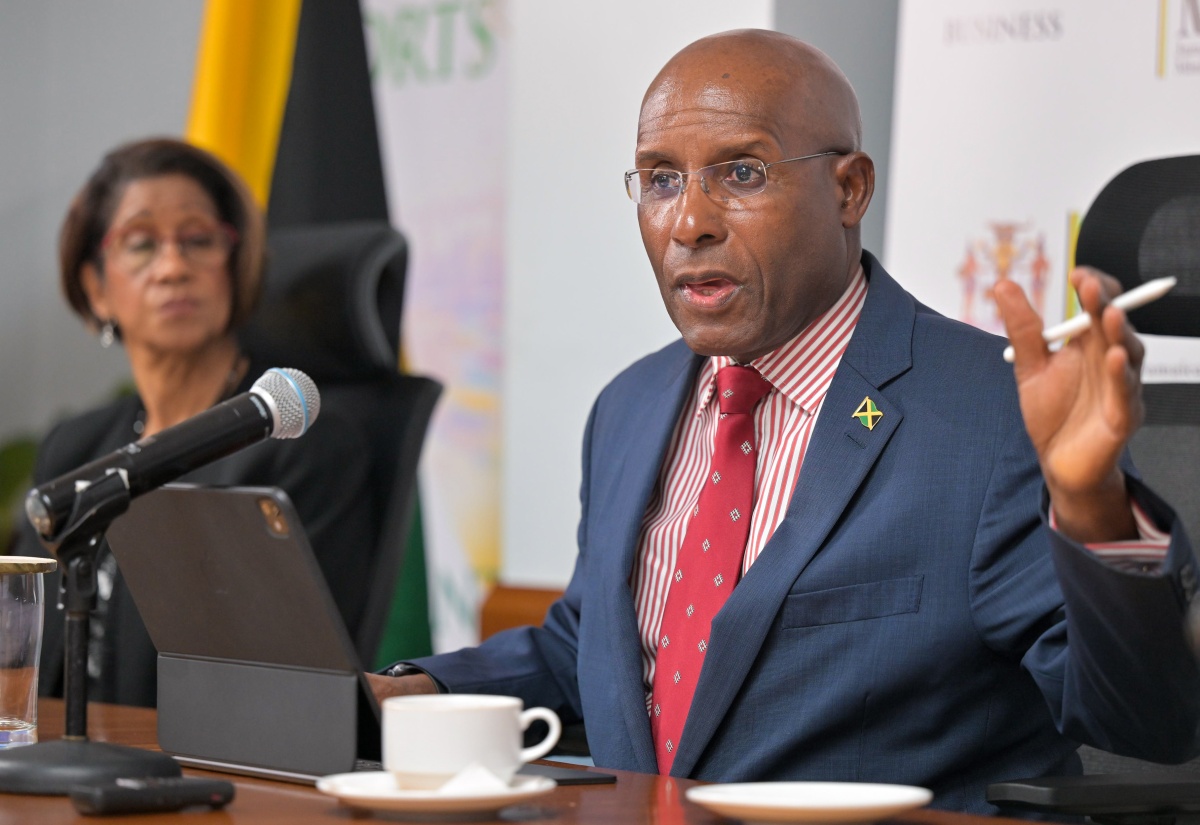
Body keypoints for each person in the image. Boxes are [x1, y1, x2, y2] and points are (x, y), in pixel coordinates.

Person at [367, 30, 1200, 813]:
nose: (688, 221)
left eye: (741, 173)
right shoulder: (626, 408)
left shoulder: (990, 413)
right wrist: (415, 691)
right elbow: (594, 641)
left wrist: (1089, 501)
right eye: (659, 179)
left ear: (849, 188)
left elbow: (1149, 723)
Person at [16, 138, 376, 708]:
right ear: (95, 287)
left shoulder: (301, 448)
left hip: (197, 776)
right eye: (141, 243)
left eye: (199, 240)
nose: (174, 267)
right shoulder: (75, 447)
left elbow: (282, 682)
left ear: (236, 268)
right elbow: (20, 643)